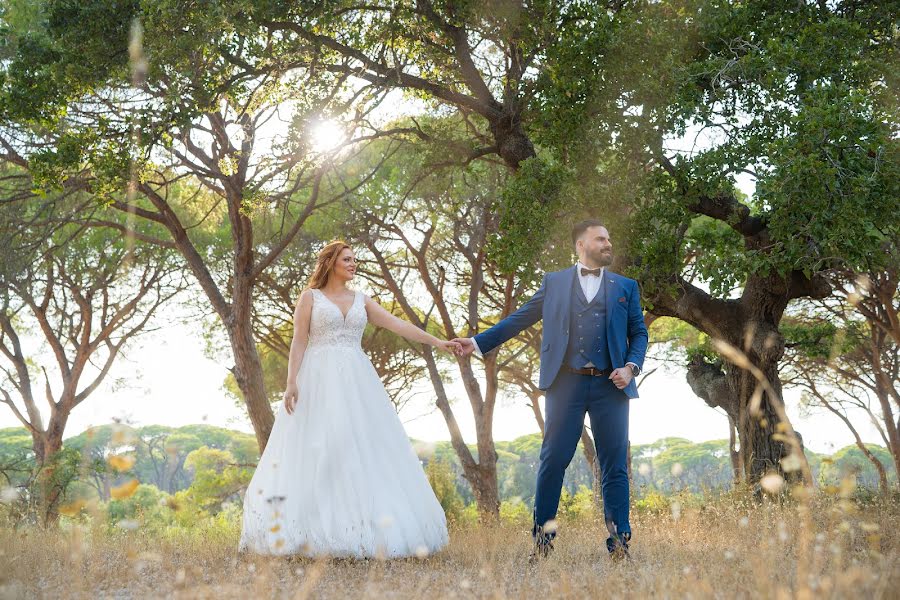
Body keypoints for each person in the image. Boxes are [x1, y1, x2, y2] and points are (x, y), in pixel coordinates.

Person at [240, 240, 457, 558]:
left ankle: (363, 529)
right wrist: (291, 382)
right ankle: (314, 531)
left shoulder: (362, 300)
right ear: (330, 263)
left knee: (361, 449)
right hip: (317, 379)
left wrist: (437, 342)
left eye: (355, 260)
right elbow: (299, 340)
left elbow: (398, 325)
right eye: (348, 259)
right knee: (320, 449)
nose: (354, 264)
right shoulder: (310, 298)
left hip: (357, 381)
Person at [453, 219, 648, 561]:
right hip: (565, 383)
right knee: (553, 461)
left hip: (611, 386)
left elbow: (639, 333)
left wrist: (630, 368)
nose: (608, 243)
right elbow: (521, 318)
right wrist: (477, 342)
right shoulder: (555, 283)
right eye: (601, 238)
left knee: (615, 465)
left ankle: (620, 544)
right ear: (581, 245)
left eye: (609, 238)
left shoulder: (626, 286)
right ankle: (543, 543)